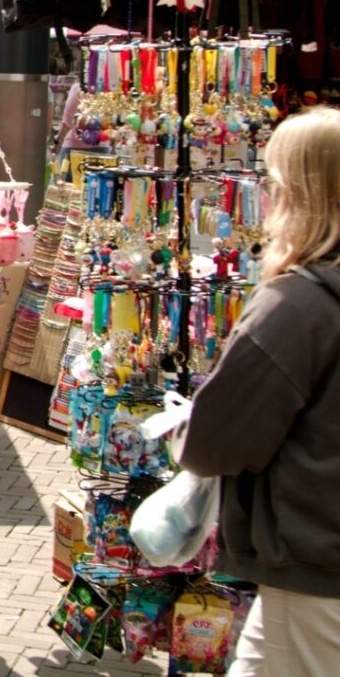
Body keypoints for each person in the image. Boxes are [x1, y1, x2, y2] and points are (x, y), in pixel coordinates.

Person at [179, 106, 340, 675]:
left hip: (316, 556)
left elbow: (221, 438)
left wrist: (182, 435)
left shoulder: (299, 303)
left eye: (273, 182)